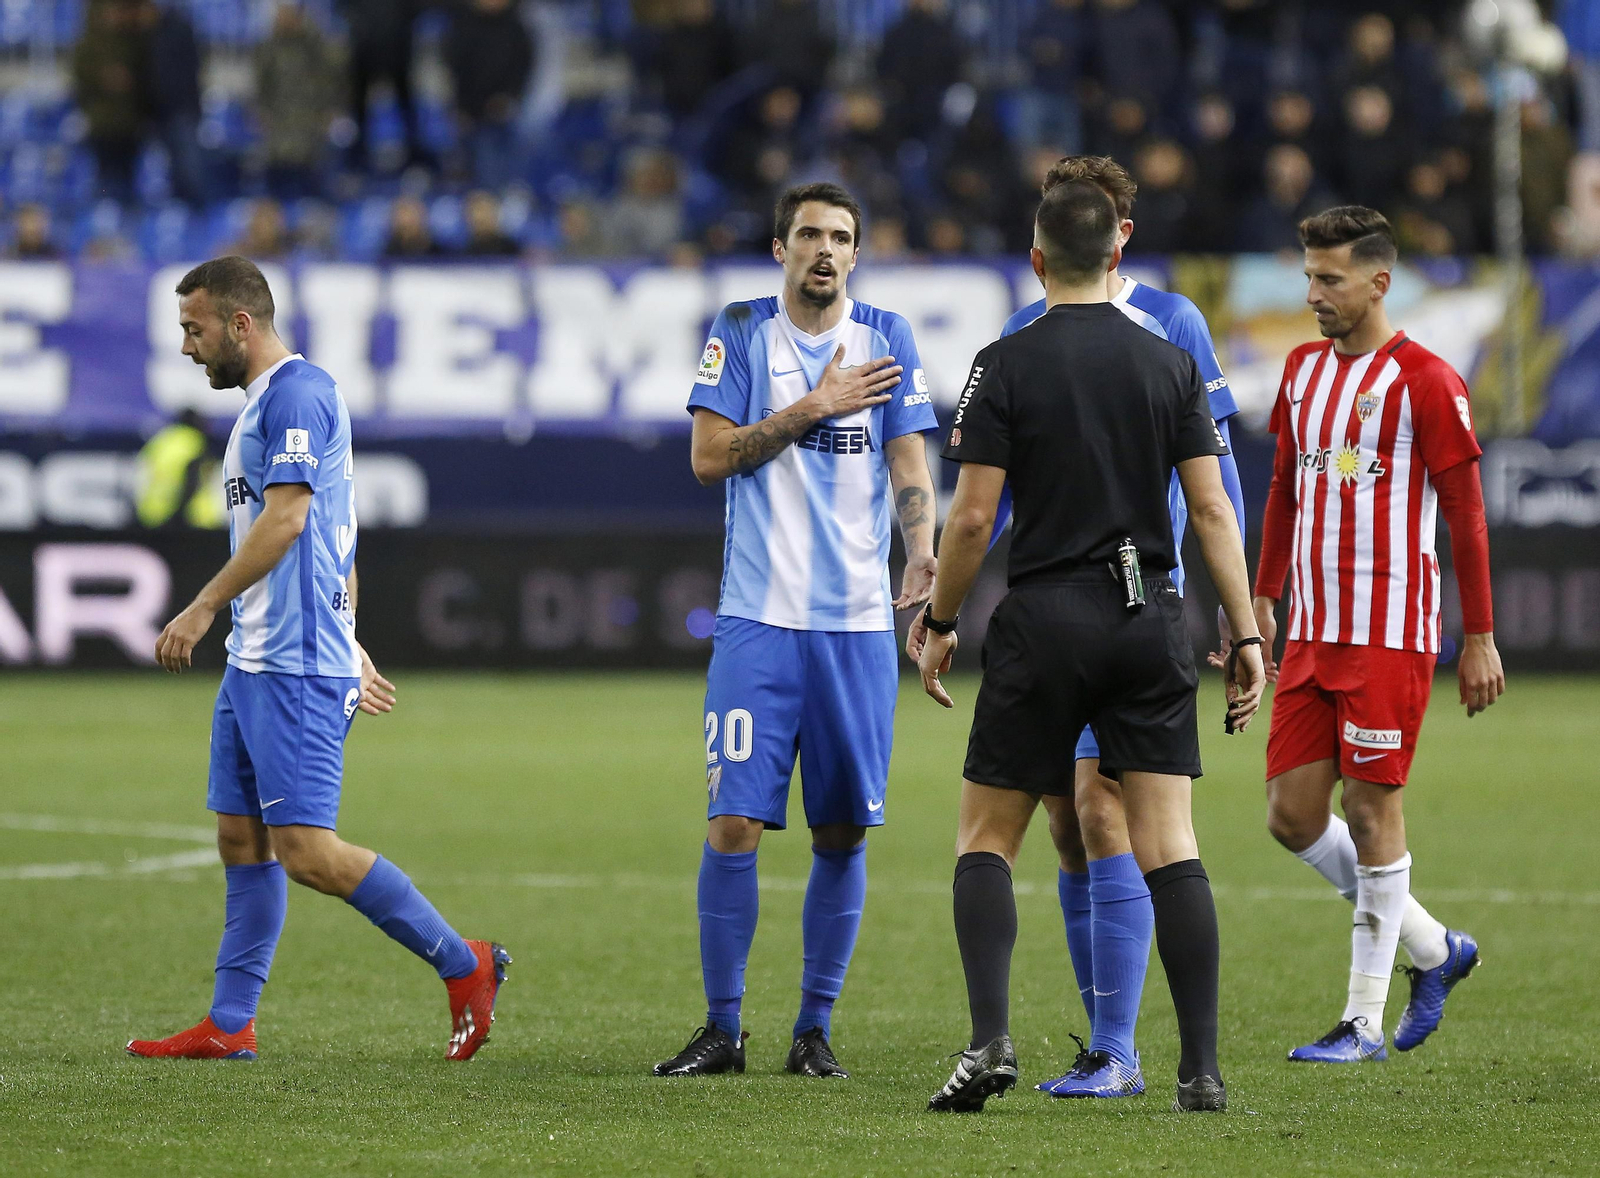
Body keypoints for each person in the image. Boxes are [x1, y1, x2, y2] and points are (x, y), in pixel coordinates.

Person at [916, 179, 1264, 1114]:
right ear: (1118, 253)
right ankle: (1200, 1070)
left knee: (987, 837)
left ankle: (990, 1041)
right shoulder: (1169, 360)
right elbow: (1212, 508)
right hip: (1149, 615)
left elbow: (973, 518)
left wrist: (941, 622)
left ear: (1036, 260)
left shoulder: (1003, 361)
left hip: (1045, 616)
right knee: (1169, 843)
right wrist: (1245, 627)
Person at [126, 257, 508, 1062]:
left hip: (294, 664)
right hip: (258, 660)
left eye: (194, 329)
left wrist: (203, 606)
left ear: (240, 323)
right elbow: (342, 537)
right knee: (242, 840)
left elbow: (292, 521)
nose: (188, 347)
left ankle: (465, 964)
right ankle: (230, 1023)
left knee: (306, 853)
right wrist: (351, 634)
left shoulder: (298, 394)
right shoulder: (266, 403)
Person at [653, 182, 939, 1079]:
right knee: (733, 823)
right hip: (758, 622)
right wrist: (813, 406)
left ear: (856, 252)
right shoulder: (741, 329)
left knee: (843, 831)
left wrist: (923, 551)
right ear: (780, 248)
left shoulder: (887, 336)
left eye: (841, 237)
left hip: (855, 626)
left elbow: (908, 460)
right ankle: (722, 1029)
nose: (825, 249)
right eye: (809, 234)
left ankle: (813, 1031)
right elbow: (707, 458)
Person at [1254, 207, 1502, 1063]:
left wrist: (1480, 636)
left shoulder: (1427, 380)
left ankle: (1360, 1022)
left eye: (1330, 279)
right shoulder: (1300, 371)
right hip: (1313, 632)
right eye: (1309, 277)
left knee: (1369, 809)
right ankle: (1435, 949)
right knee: (1291, 816)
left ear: (1379, 282)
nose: (1313, 294)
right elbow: (1284, 488)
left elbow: (1466, 515)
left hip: (1388, 634)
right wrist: (1264, 595)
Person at [136, 407, 225, 529]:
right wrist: (178, 515)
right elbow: (192, 479)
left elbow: (141, 476)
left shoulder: (159, 441)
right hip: (194, 517)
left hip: (154, 514)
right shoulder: (195, 442)